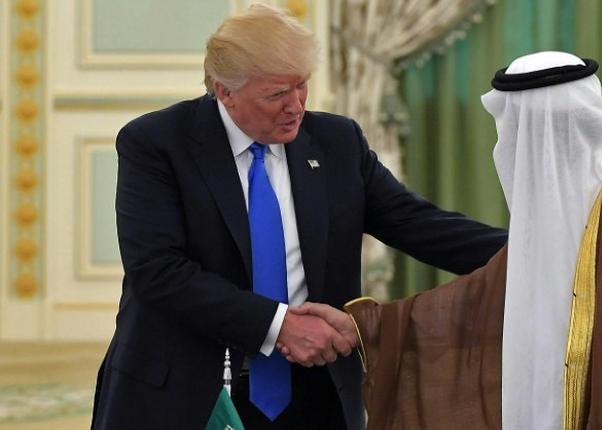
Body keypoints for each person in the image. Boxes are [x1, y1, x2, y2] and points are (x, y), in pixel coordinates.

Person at [89, 4, 507, 430]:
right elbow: (158, 271)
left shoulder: (336, 142)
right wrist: (278, 326)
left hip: (316, 390)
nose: (296, 106)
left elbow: (419, 225)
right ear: (224, 90)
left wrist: (538, 250)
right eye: (276, 94)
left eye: (301, 86)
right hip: (192, 390)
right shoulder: (157, 144)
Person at [294, 51, 602, 429]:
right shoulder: (593, 190)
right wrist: (366, 326)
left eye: (512, 130)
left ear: (535, 128)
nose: (506, 144)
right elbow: (491, 293)